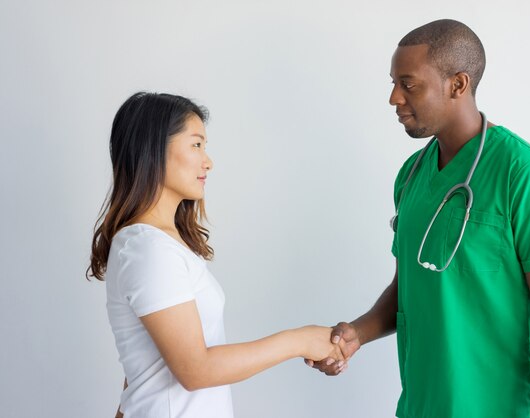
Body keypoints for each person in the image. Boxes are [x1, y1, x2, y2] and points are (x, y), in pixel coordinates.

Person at [307, 19, 530, 418]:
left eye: (408, 84)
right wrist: (357, 334)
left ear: (458, 84)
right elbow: (412, 284)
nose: (393, 98)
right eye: (393, 83)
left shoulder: (523, 173)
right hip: (420, 406)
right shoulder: (412, 175)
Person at [88, 92, 343, 418]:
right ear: (152, 149)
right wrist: (299, 341)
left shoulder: (157, 245)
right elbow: (195, 370)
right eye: (196, 145)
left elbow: (140, 367)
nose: (208, 161)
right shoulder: (149, 249)